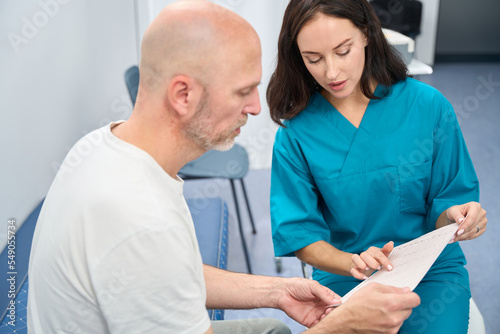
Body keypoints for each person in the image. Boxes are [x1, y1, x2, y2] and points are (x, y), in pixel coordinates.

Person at [27, 0, 420, 333]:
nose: (254, 107)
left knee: (274, 325)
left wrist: (277, 292)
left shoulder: (103, 145)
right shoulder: (140, 220)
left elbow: (169, 273)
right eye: (242, 90)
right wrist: (342, 324)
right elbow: (151, 257)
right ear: (183, 94)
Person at [267, 0, 488, 333]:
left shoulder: (427, 107)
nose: (331, 72)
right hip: (345, 275)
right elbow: (300, 234)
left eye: (343, 51)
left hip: (430, 269)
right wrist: (352, 262)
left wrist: (459, 217)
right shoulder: (296, 133)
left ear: (368, 34)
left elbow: (447, 203)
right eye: (313, 59)